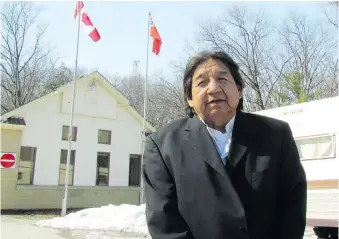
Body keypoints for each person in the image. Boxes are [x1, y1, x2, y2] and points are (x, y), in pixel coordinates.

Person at [142, 50, 307, 239]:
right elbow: (165, 224)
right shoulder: (163, 146)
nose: (213, 89)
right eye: (202, 82)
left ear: (239, 89)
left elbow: (292, 209)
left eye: (222, 79)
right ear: (189, 98)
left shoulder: (275, 135)